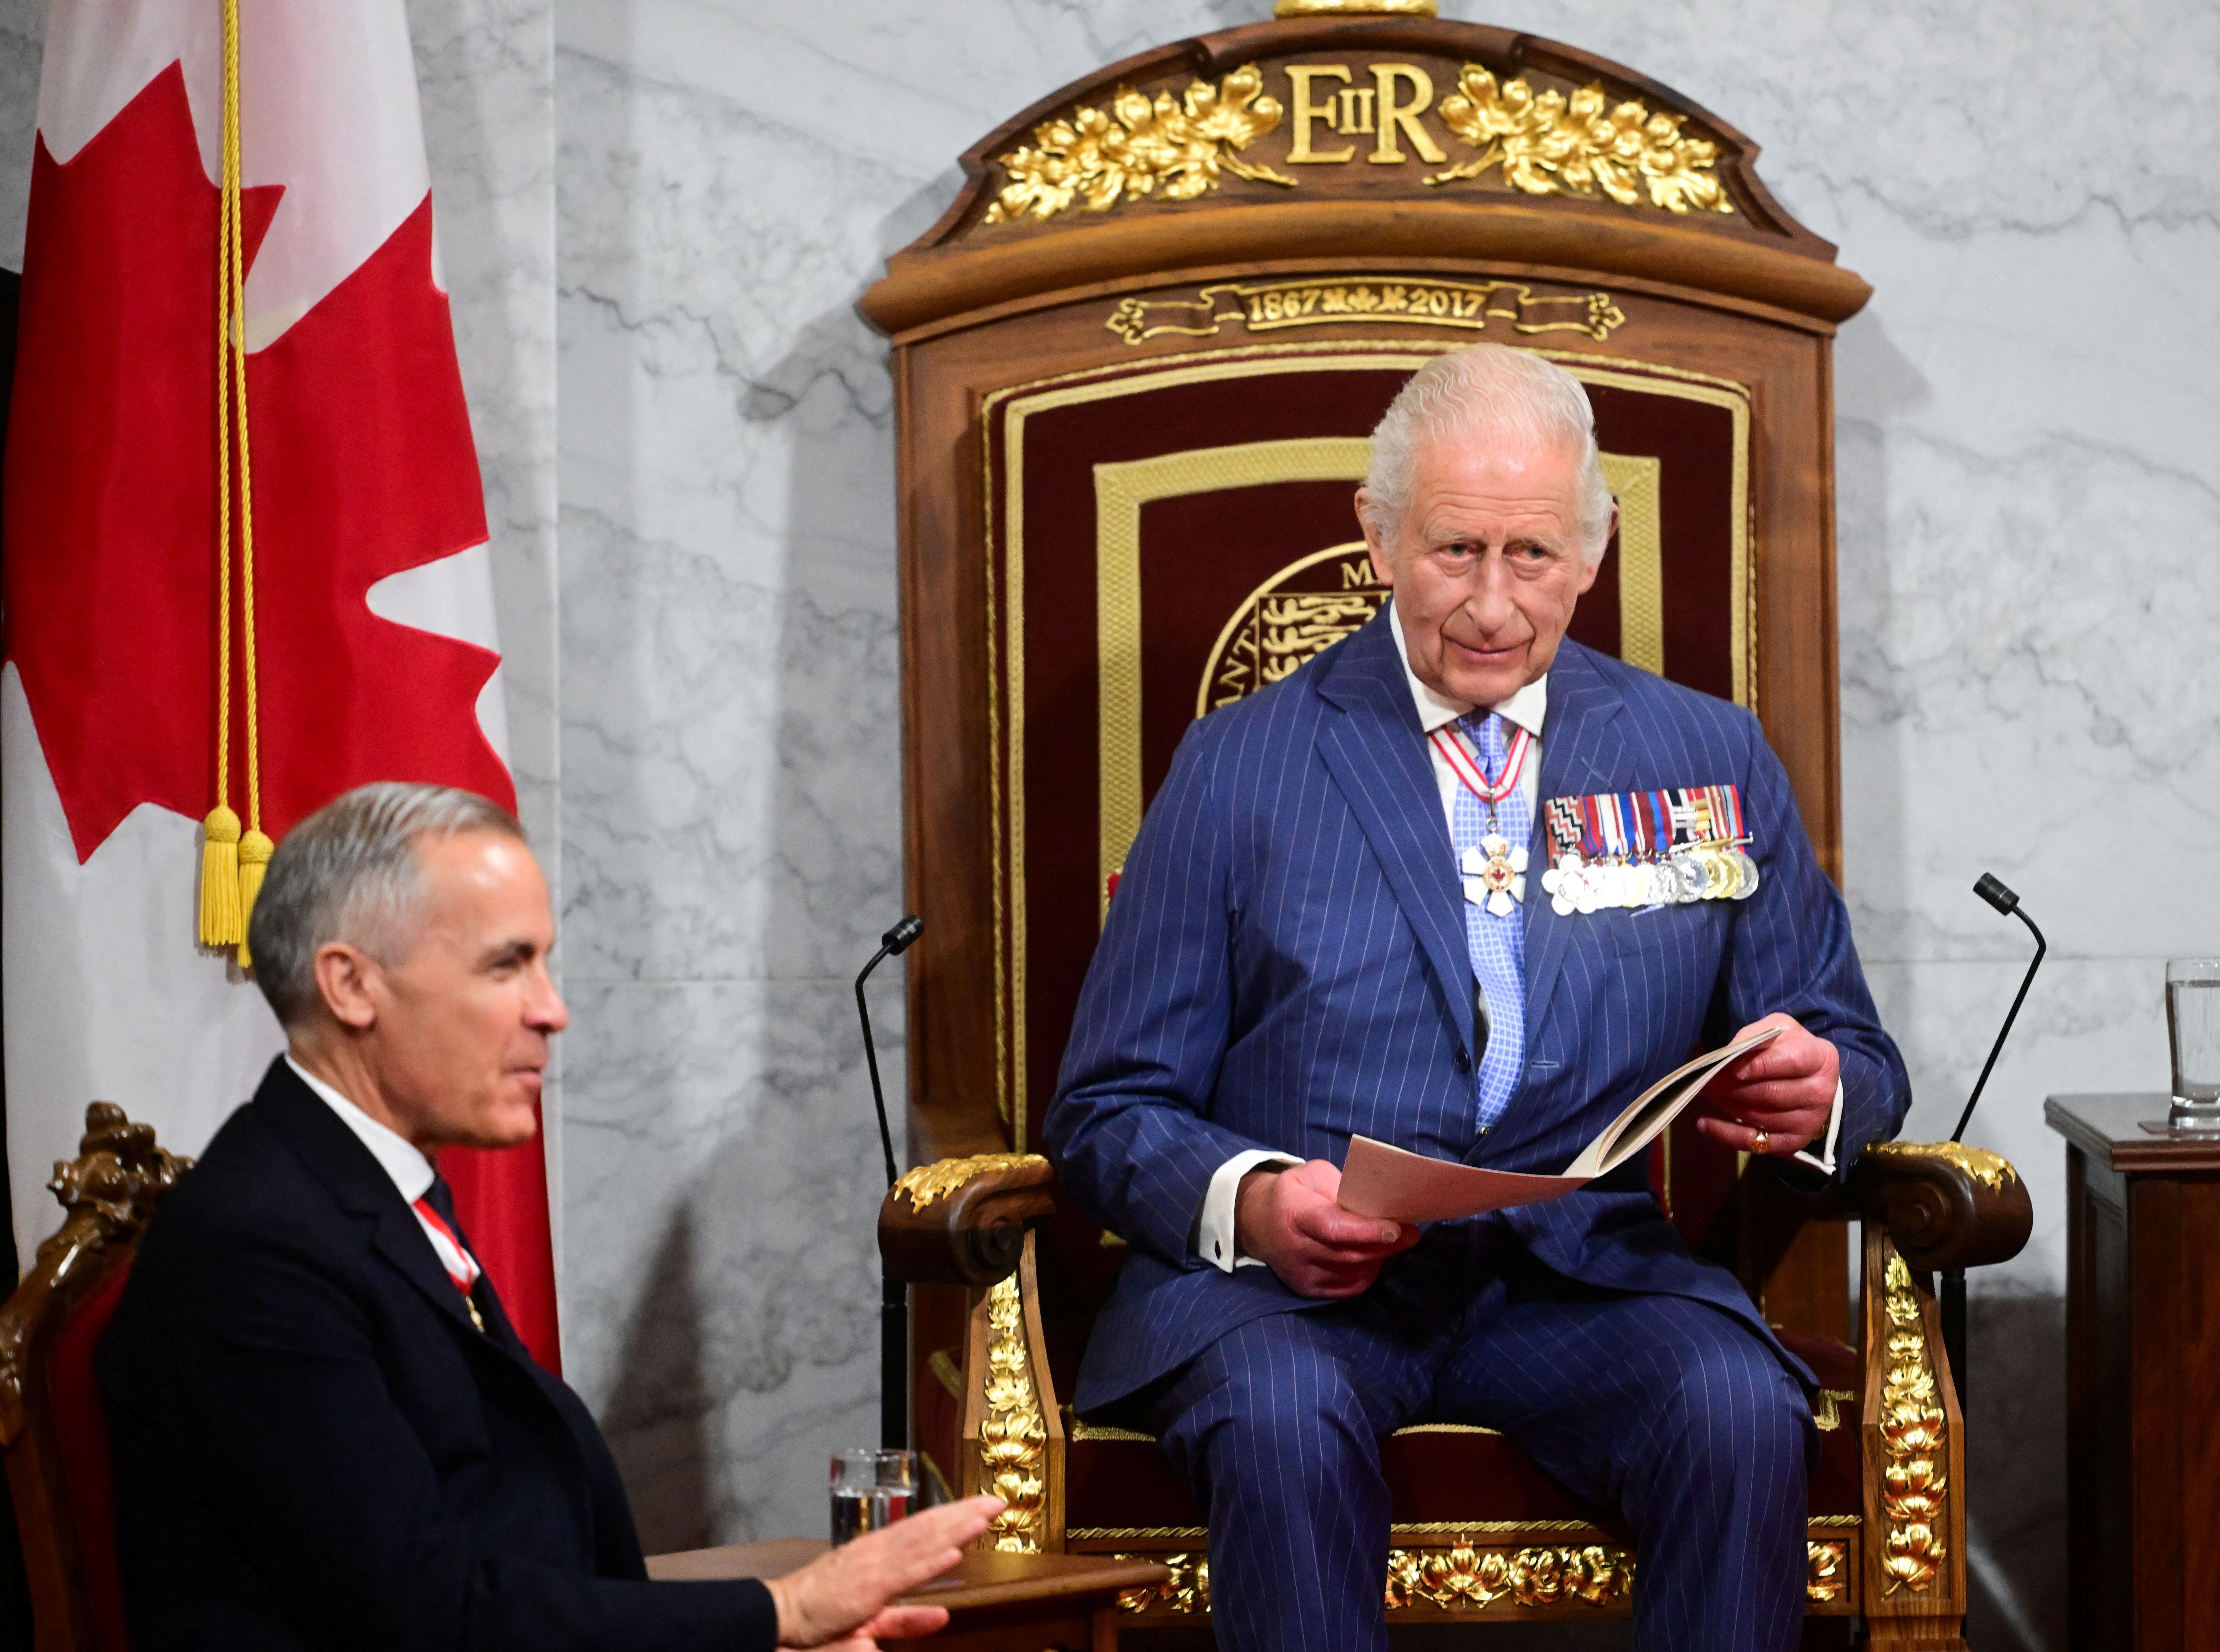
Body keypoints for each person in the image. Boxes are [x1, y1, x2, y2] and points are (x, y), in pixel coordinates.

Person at [1045, 345, 1909, 1650]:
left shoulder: (1703, 753)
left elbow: (1850, 1044)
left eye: (1535, 556)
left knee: (1735, 1405)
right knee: (1280, 1419)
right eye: (1456, 551)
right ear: (1377, 536)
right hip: (1296, 1296)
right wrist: (1259, 1201)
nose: (1496, 604)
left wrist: (1824, 1088)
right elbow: (1108, 1108)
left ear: (1592, 554)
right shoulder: (1240, 764)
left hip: (1578, 1283)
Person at [97, 783, 999, 1651]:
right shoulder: (257, 1243)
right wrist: (778, 1612)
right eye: (506, 963)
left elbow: (500, 1536)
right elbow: (425, 1614)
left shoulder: (367, 1192)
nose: (553, 1009)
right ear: (351, 985)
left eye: (544, 960)